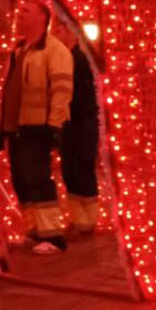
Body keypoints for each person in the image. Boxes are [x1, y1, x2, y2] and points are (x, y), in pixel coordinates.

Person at [0, 0, 73, 254]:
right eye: (20, 11)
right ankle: (34, 230)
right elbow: (10, 90)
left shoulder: (54, 51)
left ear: (43, 17)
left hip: (38, 126)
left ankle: (53, 234)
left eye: (26, 11)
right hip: (19, 126)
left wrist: (55, 124)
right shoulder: (19, 50)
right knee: (22, 179)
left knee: (39, 178)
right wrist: (3, 125)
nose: (20, 15)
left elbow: (62, 90)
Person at [53, 22, 100, 236]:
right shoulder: (66, 59)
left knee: (82, 169)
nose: (56, 35)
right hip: (69, 124)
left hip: (81, 124)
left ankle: (87, 221)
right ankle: (78, 218)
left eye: (60, 30)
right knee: (70, 170)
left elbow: (84, 98)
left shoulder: (80, 60)